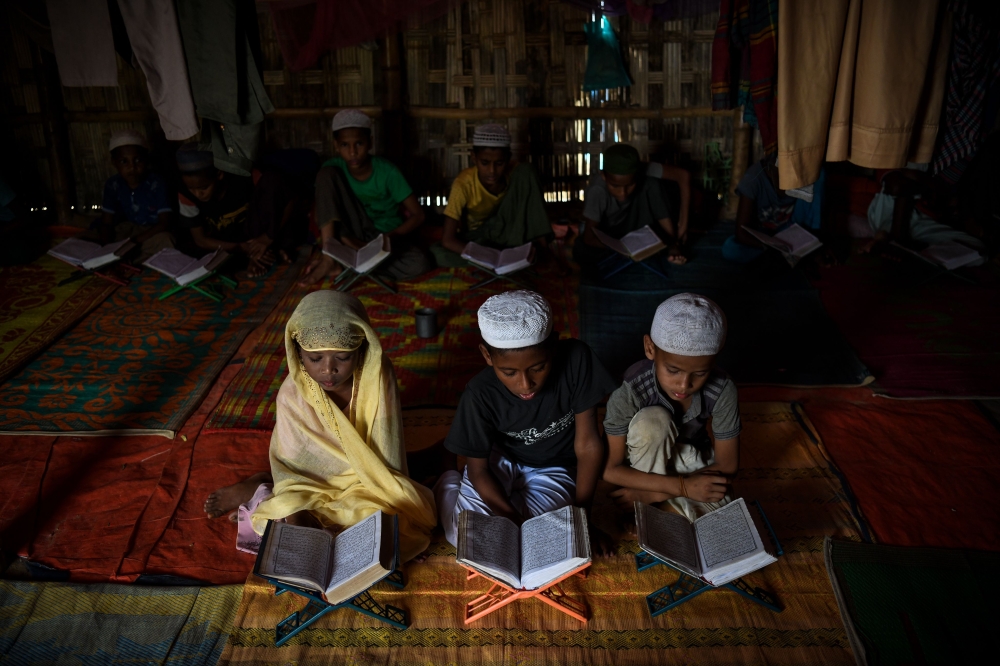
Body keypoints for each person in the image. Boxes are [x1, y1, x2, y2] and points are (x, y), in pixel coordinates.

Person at [205, 290, 437, 562]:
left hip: (365, 479)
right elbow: (295, 469)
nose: (328, 370)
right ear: (297, 353)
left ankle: (262, 491)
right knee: (291, 509)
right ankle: (263, 486)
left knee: (390, 516)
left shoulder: (378, 376)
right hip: (310, 481)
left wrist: (382, 493)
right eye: (315, 359)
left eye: (342, 357)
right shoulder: (292, 394)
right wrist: (298, 503)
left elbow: (386, 453)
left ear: (361, 350)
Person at [433, 290, 617, 553]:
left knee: (552, 537)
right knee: (462, 536)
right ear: (487, 356)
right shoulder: (480, 393)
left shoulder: (577, 359)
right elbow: (479, 470)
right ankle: (446, 470)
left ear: (553, 345)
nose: (525, 384)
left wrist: (582, 518)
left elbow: (588, 444)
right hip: (500, 458)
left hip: (555, 466)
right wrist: (512, 520)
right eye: (509, 372)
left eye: (538, 367)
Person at [601, 293, 739, 524]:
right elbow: (610, 470)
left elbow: (727, 465)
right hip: (640, 463)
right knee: (653, 421)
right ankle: (659, 506)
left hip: (687, 460)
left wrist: (659, 492)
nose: (685, 385)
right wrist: (683, 487)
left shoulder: (723, 388)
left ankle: (649, 503)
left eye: (700, 373)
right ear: (650, 348)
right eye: (673, 370)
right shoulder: (632, 389)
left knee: (723, 503)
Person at [299, 110, 432, 286]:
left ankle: (348, 263)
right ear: (336, 145)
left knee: (420, 263)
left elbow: (418, 215)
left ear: (370, 142)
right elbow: (322, 212)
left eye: (359, 143)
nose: (353, 152)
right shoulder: (332, 170)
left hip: (384, 238)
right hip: (350, 234)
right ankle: (329, 258)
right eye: (345, 145)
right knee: (325, 174)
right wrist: (342, 238)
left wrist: (388, 239)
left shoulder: (387, 171)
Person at [432, 124, 560, 270]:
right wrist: (484, 254)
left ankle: (540, 251)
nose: (492, 171)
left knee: (526, 171)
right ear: (473, 157)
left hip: (508, 232)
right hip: (480, 239)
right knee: (437, 254)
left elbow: (529, 211)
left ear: (508, 159)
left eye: (499, 163)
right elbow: (448, 240)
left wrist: (544, 247)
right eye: (485, 163)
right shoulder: (463, 184)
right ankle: (511, 254)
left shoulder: (517, 174)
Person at [574, 143, 691, 273]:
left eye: (630, 185)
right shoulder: (597, 190)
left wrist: (683, 223)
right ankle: (649, 251)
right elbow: (589, 237)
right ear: (603, 176)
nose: (623, 194)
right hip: (610, 236)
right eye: (615, 186)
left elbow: (683, 175)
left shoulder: (642, 169)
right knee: (583, 251)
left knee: (652, 183)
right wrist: (621, 249)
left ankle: (672, 243)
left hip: (636, 227)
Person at [176, 146, 283, 278]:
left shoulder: (246, 177)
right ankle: (260, 255)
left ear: (219, 174)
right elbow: (200, 239)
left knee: (282, 232)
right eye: (191, 189)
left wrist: (267, 238)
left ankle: (266, 253)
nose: (198, 194)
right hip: (226, 243)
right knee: (192, 254)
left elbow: (287, 202)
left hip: (257, 233)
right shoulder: (185, 194)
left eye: (204, 187)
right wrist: (243, 248)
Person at [725, 154, 831, 264]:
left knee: (818, 175)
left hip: (791, 230)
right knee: (730, 249)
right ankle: (790, 256)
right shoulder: (753, 179)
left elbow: (811, 216)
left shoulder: (800, 174)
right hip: (764, 236)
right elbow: (741, 232)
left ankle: (807, 249)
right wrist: (771, 248)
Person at [98, 130, 174, 260]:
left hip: (151, 232)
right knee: (92, 237)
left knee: (166, 240)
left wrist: (134, 242)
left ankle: (133, 257)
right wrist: (106, 246)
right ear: (114, 162)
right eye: (124, 161)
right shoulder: (113, 184)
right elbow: (107, 222)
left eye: (138, 160)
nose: (132, 167)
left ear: (146, 160)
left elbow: (164, 223)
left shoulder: (157, 183)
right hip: (128, 230)